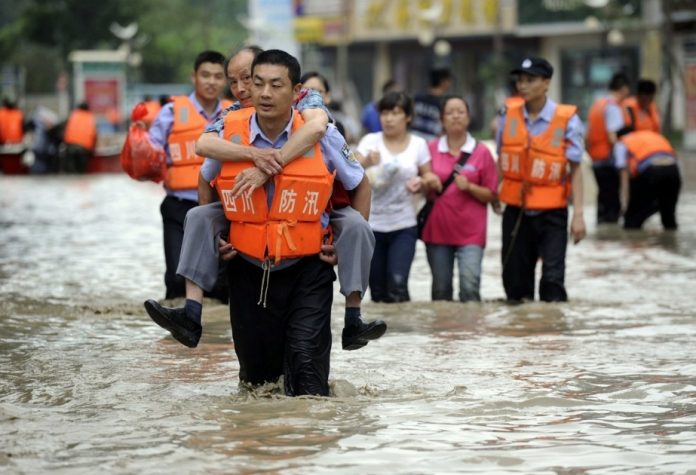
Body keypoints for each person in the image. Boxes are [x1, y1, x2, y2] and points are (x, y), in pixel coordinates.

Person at [145, 47, 385, 351]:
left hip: (312, 216)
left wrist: (271, 165)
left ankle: (354, 318)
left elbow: (324, 136)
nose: (245, 90)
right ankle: (191, 314)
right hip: (249, 226)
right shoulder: (230, 118)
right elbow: (204, 156)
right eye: (237, 83)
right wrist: (253, 157)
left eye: (250, 79)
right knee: (198, 217)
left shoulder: (310, 107)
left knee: (357, 227)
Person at [219, 49, 369, 396]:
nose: (265, 93)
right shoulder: (229, 134)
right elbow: (207, 181)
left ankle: (307, 442)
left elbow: (360, 184)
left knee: (307, 377)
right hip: (247, 267)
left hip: (308, 267)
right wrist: (218, 237)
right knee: (258, 383)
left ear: (296, 91)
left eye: (276, 85)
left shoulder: (323, 134)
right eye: (258, 84)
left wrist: (344, 243)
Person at [496, 57, 586, 302]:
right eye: (520, 80)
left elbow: (576, 170)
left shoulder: (568, 119)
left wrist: (578, 215)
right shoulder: (507, 115)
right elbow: (501, 159)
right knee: (515, 284)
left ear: (546, 83)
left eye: (530, 80)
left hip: (553, 213)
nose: (522, 85)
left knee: (552, 281)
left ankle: (552, 334)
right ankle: (522, 335)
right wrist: (496, 193)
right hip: (517, 209)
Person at [147, 50, 228, 300]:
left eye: (218, 76)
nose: (211, 82)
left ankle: (216, 335)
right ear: (193, 76)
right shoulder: (171, 112)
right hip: (179, 206)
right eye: (205, 75)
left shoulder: (233, 113)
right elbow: (150, 152)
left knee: (220, 284)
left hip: (221, 208)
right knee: (176, 278)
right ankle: (173, 329)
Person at [357, 91, 439, 302]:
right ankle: (385, 334)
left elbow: (429, 176)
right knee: (376, 289)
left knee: (398, 283)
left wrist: (421, 182)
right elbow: (351, 169)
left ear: (408, 117)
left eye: (395, 113)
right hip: (372, 224)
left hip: (404, 224)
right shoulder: (370, 141)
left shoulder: (418, 145)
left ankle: (404, 331)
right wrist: (366, 161)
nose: (389, 118)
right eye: (384, 113)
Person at [421, 95, 498, 302]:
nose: (455, 116)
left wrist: (470, 187)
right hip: (437, 231)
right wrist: (427, 182)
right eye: (450, 112)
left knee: (470, 287)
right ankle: (444, 333)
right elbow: (418, 183)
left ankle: (470, 333)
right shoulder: (430, 149)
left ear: (469, 117)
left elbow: (492, 194)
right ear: (442, 119)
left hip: (471, 233)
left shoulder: (482, 152)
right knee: (440, 290)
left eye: (460, 112)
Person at [586, 72, 631, 224]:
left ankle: (603, 239)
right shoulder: (613, 108)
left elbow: (587, 136)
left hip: (596, 159)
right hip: (608, 161)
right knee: (612, 205)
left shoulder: (598, 104)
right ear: (623, 88)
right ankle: (611, 239)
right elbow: (613, 138)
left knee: (603, 201)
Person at [614, 130, 680, 230]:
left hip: (651, 171)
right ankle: (670, 243)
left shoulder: (621, 143)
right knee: (669, 218)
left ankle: (632, 243)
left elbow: (624, 175)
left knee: (631, 223)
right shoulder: (653, 135)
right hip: (673, 171)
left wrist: (626, 205)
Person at [411, 67, 453, 141]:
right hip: (432, 144)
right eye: (449, 81)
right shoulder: (444, 103)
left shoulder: (417, 99)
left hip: (413, 141)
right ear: (443, 82)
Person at [61, 102, 97, 173]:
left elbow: (64, 131)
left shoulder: (72, 116)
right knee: (82, 173)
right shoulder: (90, 118)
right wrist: (93, 150)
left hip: (70, 147)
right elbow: (94, 136)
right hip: (84, 149)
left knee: (69, 172)